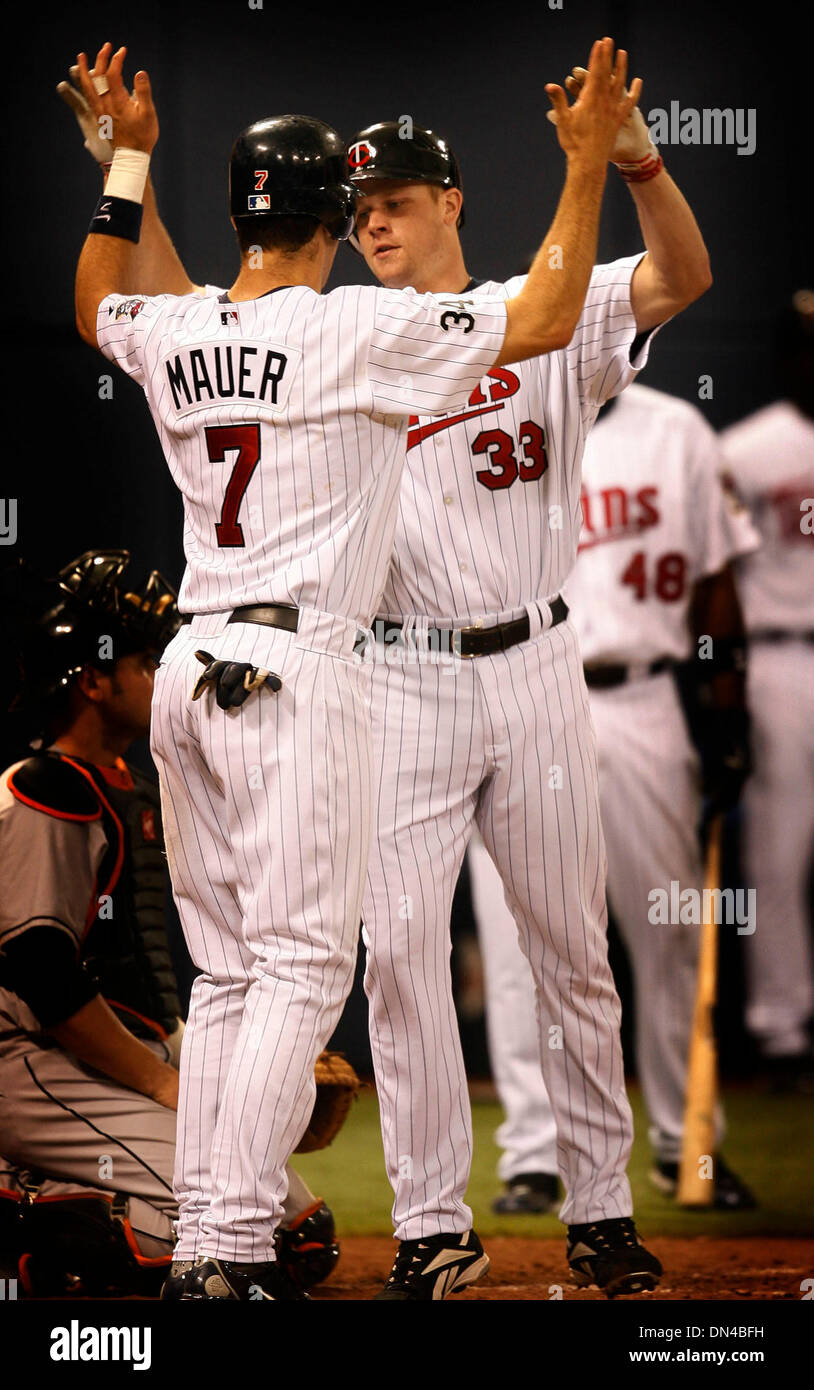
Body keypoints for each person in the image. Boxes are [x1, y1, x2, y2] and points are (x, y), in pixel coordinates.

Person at [72, 38, 641, 1300]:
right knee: (301, 971)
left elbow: (97, 295)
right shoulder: (355, 333)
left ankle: (200, 1239)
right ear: (335, 221)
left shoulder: (176, 327)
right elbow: (545, 311)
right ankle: (222, 1245)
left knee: (226, 976)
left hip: (187, 667)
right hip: (297, 670)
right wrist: (589, 162)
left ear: (236, 214)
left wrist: (125, 160)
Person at [343, 56, 713, 1299]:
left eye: (393, 197)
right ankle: (430, 1223)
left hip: (539, 660)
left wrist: (635, 162)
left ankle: (601, 1210)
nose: (373, 221)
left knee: (571, 951)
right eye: (356, 211)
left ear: (450, 199)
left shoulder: (537, 311)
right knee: (398, 954)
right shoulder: (346, 342)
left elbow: (682, 275)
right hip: (398, 680)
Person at [0, 552, 338, 1295]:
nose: (167, 671)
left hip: (99, 1056)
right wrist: (163, 1083)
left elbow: (135, 979)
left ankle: (48, 1182)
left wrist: (237, 1069)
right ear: (92, 680)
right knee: (215, 1239)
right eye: (147, 659)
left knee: (303, 1239)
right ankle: (18, 1211)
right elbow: (42, 973)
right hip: (24, 1061)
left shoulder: (135, 784)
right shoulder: (44, 788)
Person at [468, 382, 760, 1216]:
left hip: (643, 693)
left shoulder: (680, 430)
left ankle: (685, 1141)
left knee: (667, 928)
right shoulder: (510, 406)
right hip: (525, 692)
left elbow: (717, 580)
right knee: (517, 932)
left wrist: (727, 713)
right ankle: (532, 1154)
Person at [720, 291, 814, 1089]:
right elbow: (719, 574)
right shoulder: (747, 450)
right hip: (783, 656)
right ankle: (781, 1024)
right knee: (780, 848)